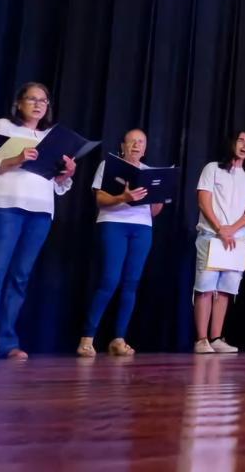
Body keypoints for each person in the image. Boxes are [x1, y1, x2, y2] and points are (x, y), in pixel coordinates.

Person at [0, 82, 77, 360]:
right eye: (32, 99)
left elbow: (56, 183)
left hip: (41, 211)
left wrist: (67, 173)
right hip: (6, 206)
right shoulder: (2, 127)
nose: (38, 105)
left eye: (43, 101)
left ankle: (7, 342)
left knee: (19, 278)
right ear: (19, 103)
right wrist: (15, 159)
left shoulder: (51, 136)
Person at [78, 129, 164, 358]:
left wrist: (159, 195)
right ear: (123, 146)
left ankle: (118, 339)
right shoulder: (109, 166)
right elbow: (100, 199)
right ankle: (87, 338)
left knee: (131, 283)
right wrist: (123, 198)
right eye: (132, 142)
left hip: (142, 228)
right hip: (113, 223)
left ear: (145, 148)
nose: (136, 146)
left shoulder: (150, 173)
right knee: (109, 279)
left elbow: (154, 212)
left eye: (141, 142)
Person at [193, 131, 245, 354]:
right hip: (211, 235)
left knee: (225, 290)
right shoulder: (212, 169)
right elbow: (204, 201)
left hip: (236, 240)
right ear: (231, 143)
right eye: (241, 140)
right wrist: (220, 228)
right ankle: (201, 339)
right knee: (205, 287)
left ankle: (216, 337)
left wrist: (231, 229)